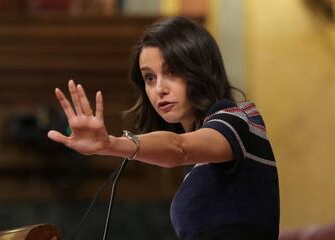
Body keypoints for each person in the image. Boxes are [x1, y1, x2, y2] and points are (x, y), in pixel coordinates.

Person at [47, 16, 280, 240]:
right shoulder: (199, 162)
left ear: (201, 69)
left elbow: (179, 148)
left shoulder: (238, 120)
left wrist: (111, 144)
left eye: (171, 71)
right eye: (149, 78)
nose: (159, 88)